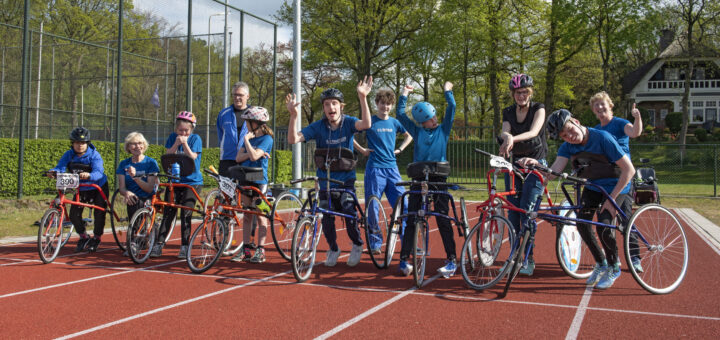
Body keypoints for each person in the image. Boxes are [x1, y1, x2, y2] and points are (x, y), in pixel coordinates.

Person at [518, 109, 635, 290]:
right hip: (594, 186)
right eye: (564, 135)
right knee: (581, 223)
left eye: (569, 129)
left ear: (576, 121)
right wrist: (534, 164)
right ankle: (601, 263)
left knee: (604, 223)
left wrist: (611, 200)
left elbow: (629, 170)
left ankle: (614, 266)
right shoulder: (567, 147)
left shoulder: (603, 138)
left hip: (617, 185)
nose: (569, 136)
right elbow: (552, 173)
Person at [286, 76, 373, 267]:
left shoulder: (349, 123)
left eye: (334, 103)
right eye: (327, 104)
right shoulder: (318, 126)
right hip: (325, 181)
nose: (330, 108)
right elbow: (293, 139)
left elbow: (366, 124)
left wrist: (363, 98)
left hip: (346, 180)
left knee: (349, 212)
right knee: (326, 217)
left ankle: (357, 244)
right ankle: (333, 248)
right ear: (324, 108)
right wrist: (293, 116)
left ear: (341, 106)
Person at [395, 81, 457, 278]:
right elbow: (400, 115)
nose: (435, 120)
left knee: (442, 216)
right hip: (419, 176)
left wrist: (448, 91)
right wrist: (404, 93)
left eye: (435, 116)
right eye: (431, 119)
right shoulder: (417, 131)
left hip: (438, 177)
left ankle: (452, 259)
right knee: (412, 217)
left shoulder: (443, 130)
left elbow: (452, 108)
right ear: (423, 122)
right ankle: (404, 259)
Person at [353, 88, 413, 253]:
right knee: (373, 207)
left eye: (388, 104)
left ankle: (405, 240)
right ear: (377, 104)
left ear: (391, 105)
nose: (385, 107)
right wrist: (362, 150)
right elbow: (348, 134)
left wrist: (400, 149)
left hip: (392, 170)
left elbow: (409, 135)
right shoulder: (369, 121)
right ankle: (375, 243)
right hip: (374, 170)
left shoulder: (395, 122)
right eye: (382, 103)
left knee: (403, 205)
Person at [498, 73, 547, 276]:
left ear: (530, 92)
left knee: (527, 211)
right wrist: (506, 136)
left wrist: (511, 139)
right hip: (515, 166)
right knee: (512, 212)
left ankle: (528, 258)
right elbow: (504, 131)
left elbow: (534, 132)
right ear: (513, 94)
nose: (521, 96)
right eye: (518, 92)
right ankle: (514, 255)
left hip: (536, 164)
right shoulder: (508, 112)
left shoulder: (538, 108)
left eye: (525, 92)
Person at [590, 91, 643, 272]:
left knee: (626, 219)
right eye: (595, 106)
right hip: (605, 179)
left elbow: (634, 133)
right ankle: (613, 257)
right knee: (604, 220)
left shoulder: (619, 123)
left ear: (610, 105)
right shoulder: (596, 130)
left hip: (622, 177)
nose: (599, 108)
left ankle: (635, 257)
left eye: (602, 104)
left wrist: (637, 118)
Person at [48, 127, 109, 252]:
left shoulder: (94, 156)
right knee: (74, 214)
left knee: (99, 213)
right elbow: (61, 167)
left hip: (97, 187)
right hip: (80, 188)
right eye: (77, 143)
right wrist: (54, 171)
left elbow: (99, 172)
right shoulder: (68, 154)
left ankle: (96, 238)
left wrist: (90, 175)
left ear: (87, 143)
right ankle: (83, 236)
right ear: (72, 143)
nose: (80, 146)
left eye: (83, 143)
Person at [152, 111, 203, 258]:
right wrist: (176, 142)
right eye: (180, 130)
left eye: (186, 130)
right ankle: (159, 244)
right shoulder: (173, 138)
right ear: (176, 130)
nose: (183, 133)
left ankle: (185, 245)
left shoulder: (195, 138)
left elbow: (192, 157)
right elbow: (168, 154)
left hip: (192, 182)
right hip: (174, 180)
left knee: (186, 213)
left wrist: (185, 143)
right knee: (169, 212)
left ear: (191, 129)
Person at [229, 106, 274, 263]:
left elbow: (254, 157)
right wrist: (251, 149)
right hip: (245, 175)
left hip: (259, 178)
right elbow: (238, 158)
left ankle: (261, 250)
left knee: (260, 215)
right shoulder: (251, 139)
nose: (246, 125)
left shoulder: (267, 139)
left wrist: (248, 143)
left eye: (248, 122)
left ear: (256, 123)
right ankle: (246, 249)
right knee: (247, 215)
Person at [116, 132, 159, 256]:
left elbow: (150, 188)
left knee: (139, 201)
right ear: (128, 147)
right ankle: (135, 240)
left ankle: (138, 239)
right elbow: (122, 188)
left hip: (148, 196)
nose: (137, 146)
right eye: (133, 144)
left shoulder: (151, 163)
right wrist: (126, 193)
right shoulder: (124, 164)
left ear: (144, 145)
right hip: (133, 197)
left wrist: (135, 178)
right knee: (133, 199)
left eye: (140, 143)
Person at [217, 82, 250, 177]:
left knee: (248, 190)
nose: (237, 97)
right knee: (225, 191)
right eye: (235, 94)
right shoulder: (223, 114)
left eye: (240, 95)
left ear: (247, 96)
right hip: (227, 159)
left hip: (248, 159)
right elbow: (221, 134)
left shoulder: (254, 113)